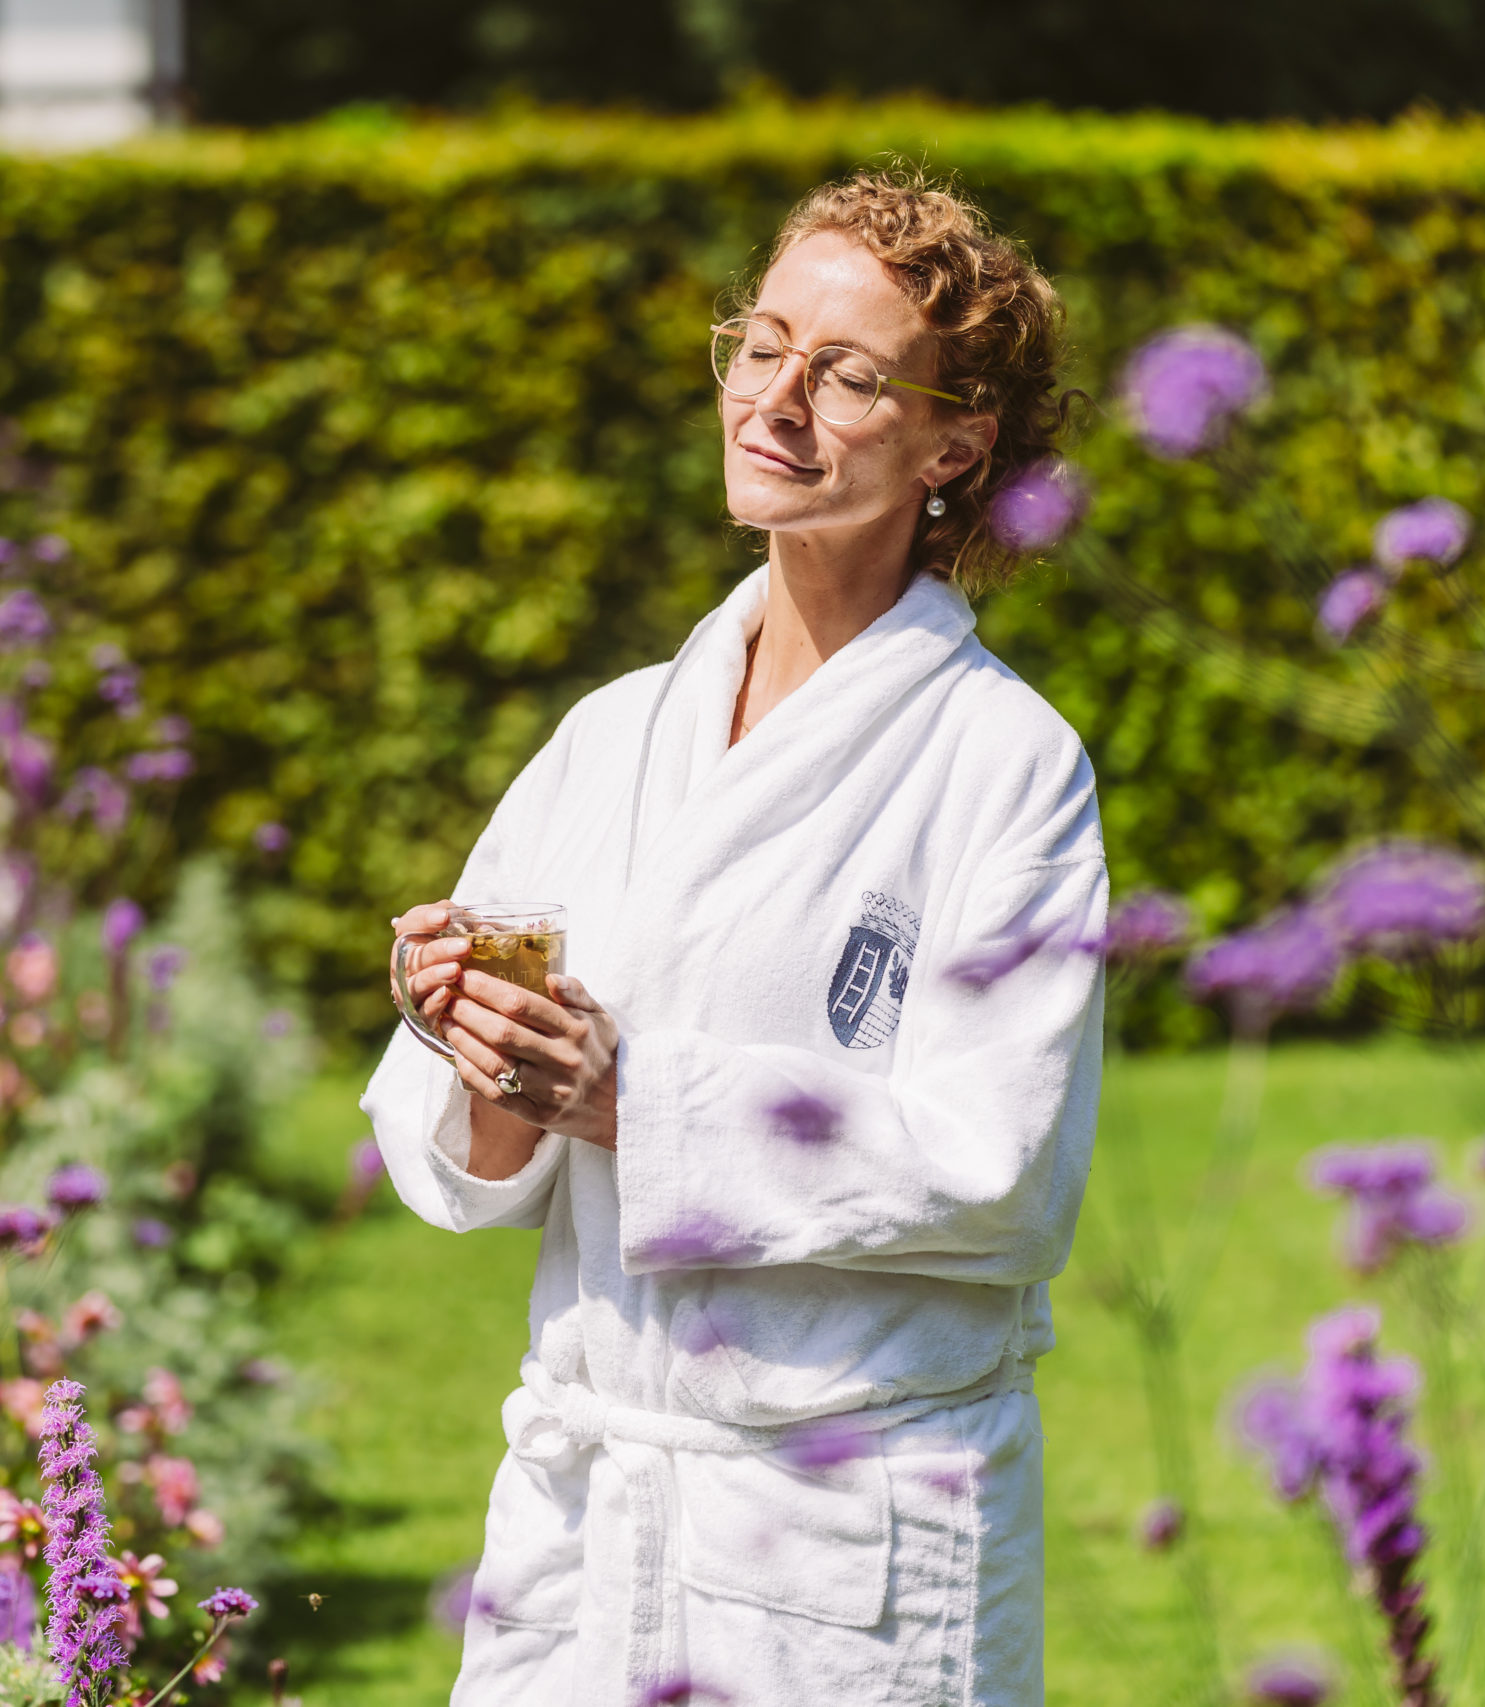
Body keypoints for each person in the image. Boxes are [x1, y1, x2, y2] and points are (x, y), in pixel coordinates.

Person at [363, 170, 1106, 1705]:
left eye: (846, 375)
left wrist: (636, 1098)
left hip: (840, 1533)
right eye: (761, 346)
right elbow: (491, 1153)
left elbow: (1007, 1168)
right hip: (594, 1504)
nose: (777, 400)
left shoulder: (1004, 766)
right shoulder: (615, 734)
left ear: (955, 444)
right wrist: (480, 1034)